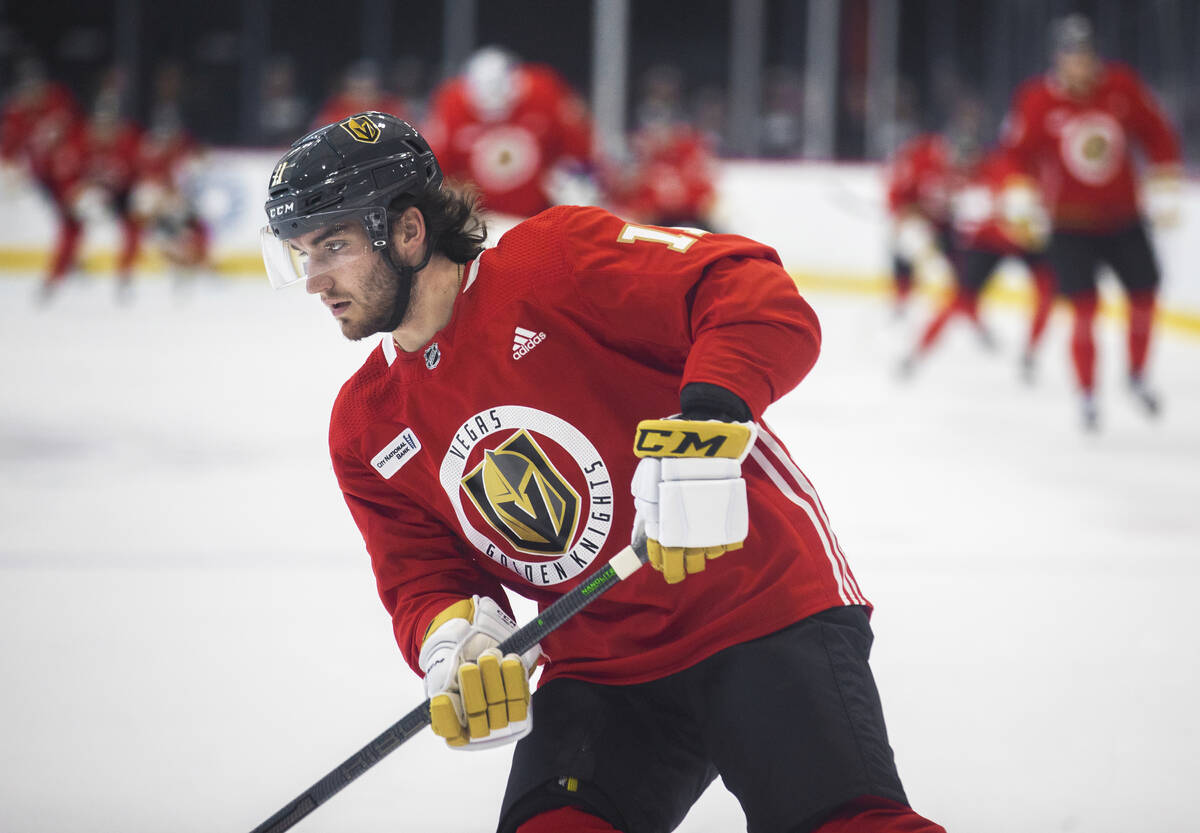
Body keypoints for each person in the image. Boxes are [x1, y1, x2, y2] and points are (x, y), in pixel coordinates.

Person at [260, 112, 945, 833]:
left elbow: (748, 290)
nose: (314, 281)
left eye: (332, 245)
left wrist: (707, 429)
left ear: (407, 231)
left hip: (760, 609)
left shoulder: (553, 263)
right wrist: (457, 641)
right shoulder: (367, 428)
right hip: (601, 660)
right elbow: (425, 575)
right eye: (302, 253)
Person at [1001, 13, 1182, 430]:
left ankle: (1136, 374)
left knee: (1145, 296)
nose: (1079, 63)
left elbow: (1157, 132)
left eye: (1084, 54)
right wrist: (1018, 194)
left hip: (1124, 218)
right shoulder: (1037, 100)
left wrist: (1165, 178)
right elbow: (1016, 154)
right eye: (1070, 55)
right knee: (1084, 310)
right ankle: (1086, 393)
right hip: (1070, 224)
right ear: (1057, 59)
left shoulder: (1121, 86)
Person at [899, 143, 1056, 380]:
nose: (964, 164)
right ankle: (916, 354)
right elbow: (936, 209)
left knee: (1046, 289)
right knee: (959, 299)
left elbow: (1017, 191)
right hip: (986, 243)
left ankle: (1030, 354)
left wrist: (1023, 216)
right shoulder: (954, 179)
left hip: (1021, 240)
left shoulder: (998, 167)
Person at [422, 47, 596, 220]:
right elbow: (433, 167)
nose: (495, 111)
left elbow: (578, 146)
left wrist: (572, 177)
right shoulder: (451, 106)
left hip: (543, 210)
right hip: (485, 218)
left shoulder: (544, 93)